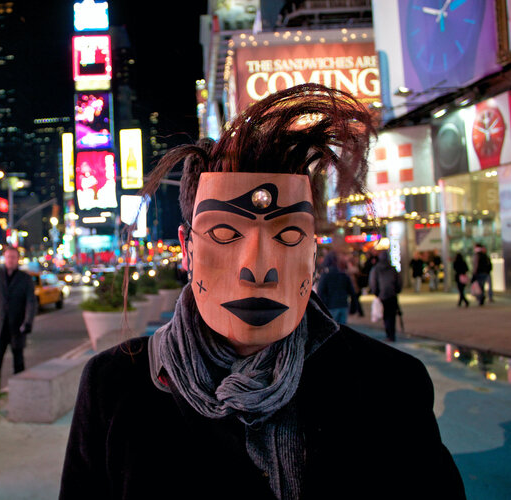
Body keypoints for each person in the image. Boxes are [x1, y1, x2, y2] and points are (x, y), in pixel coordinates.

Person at [60, 84, 464, 499]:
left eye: (288, 234)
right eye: (224, 232)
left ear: (311, 249)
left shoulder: (389, 387)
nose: (257, 268)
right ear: (187, 248)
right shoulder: (115, 388)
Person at [0, 246, 36, 386]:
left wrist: (28, 322)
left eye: (13, 257)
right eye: (7, 257)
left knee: (18, 361)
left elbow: (31, 303)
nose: (10, 260)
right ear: (4, 259)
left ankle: (20, 391)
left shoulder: (25, 279)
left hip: (17, 327)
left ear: (18, 259)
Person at [369, 251, 402, 342]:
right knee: (392, 315)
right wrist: (397, 291)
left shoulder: (376, 269)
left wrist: (376, 293)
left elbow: (373, 282)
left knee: (386, 316)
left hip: (382, 296)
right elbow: (399, 282)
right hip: (392, 295)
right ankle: (392, 334)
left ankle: (388, 334)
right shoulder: (392, 269)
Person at [316, 251, 355, 325]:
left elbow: (320, 292)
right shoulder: (344, 274)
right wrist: (353, 305)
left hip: (331, 306)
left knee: (332, 329)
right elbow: (352, 291)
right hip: (343, 304)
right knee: (342, 329)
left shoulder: (326, 275)